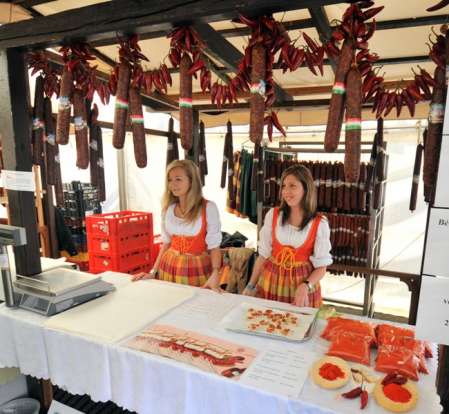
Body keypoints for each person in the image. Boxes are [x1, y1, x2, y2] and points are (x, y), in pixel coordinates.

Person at [242, 164, 332, 307]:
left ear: (306, 188)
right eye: (283, 186)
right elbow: (263, 255)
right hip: (271, 282)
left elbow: (321, 267)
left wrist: (306, 285)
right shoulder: (273, 215)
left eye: (292, 186)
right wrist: (251, 285)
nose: (286, 191)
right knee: (268, 318)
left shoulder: (319, 223)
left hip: (301, 287)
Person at [132, 160, 222, 291]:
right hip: (169, 265)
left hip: (196, 268)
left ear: (192, 181)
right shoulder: (168, 209)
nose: (173, 184)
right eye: (170, 180)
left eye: (178, 179)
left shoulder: (208, 208)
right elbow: (166, 244)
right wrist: (153, 272)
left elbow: (214, 247)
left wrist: (215, 272)